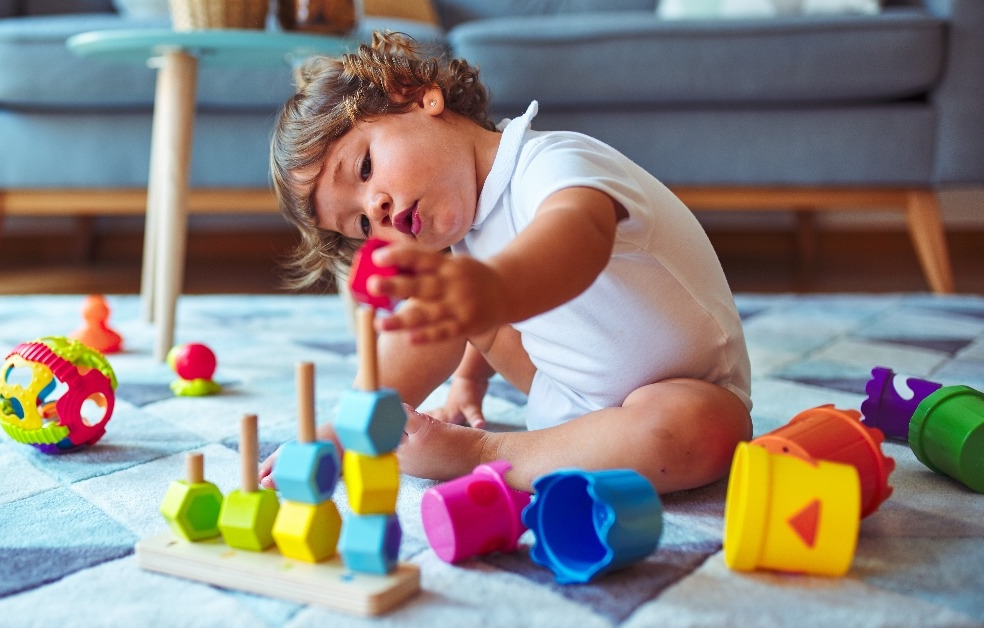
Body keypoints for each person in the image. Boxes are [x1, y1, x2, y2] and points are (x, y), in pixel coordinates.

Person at [262, 31, 752, 494]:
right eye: (362, 226)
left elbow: (580, 235)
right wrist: (457, 381)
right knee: (442, 309)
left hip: (685, 390)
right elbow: (455, 323)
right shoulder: (467, 240)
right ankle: (354, 424)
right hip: (565, 401)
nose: (376, 210)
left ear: (418, 97)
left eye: (365, 168)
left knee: (698, 431)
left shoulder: (550, 161)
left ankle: (484, 454)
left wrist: (490, 289)